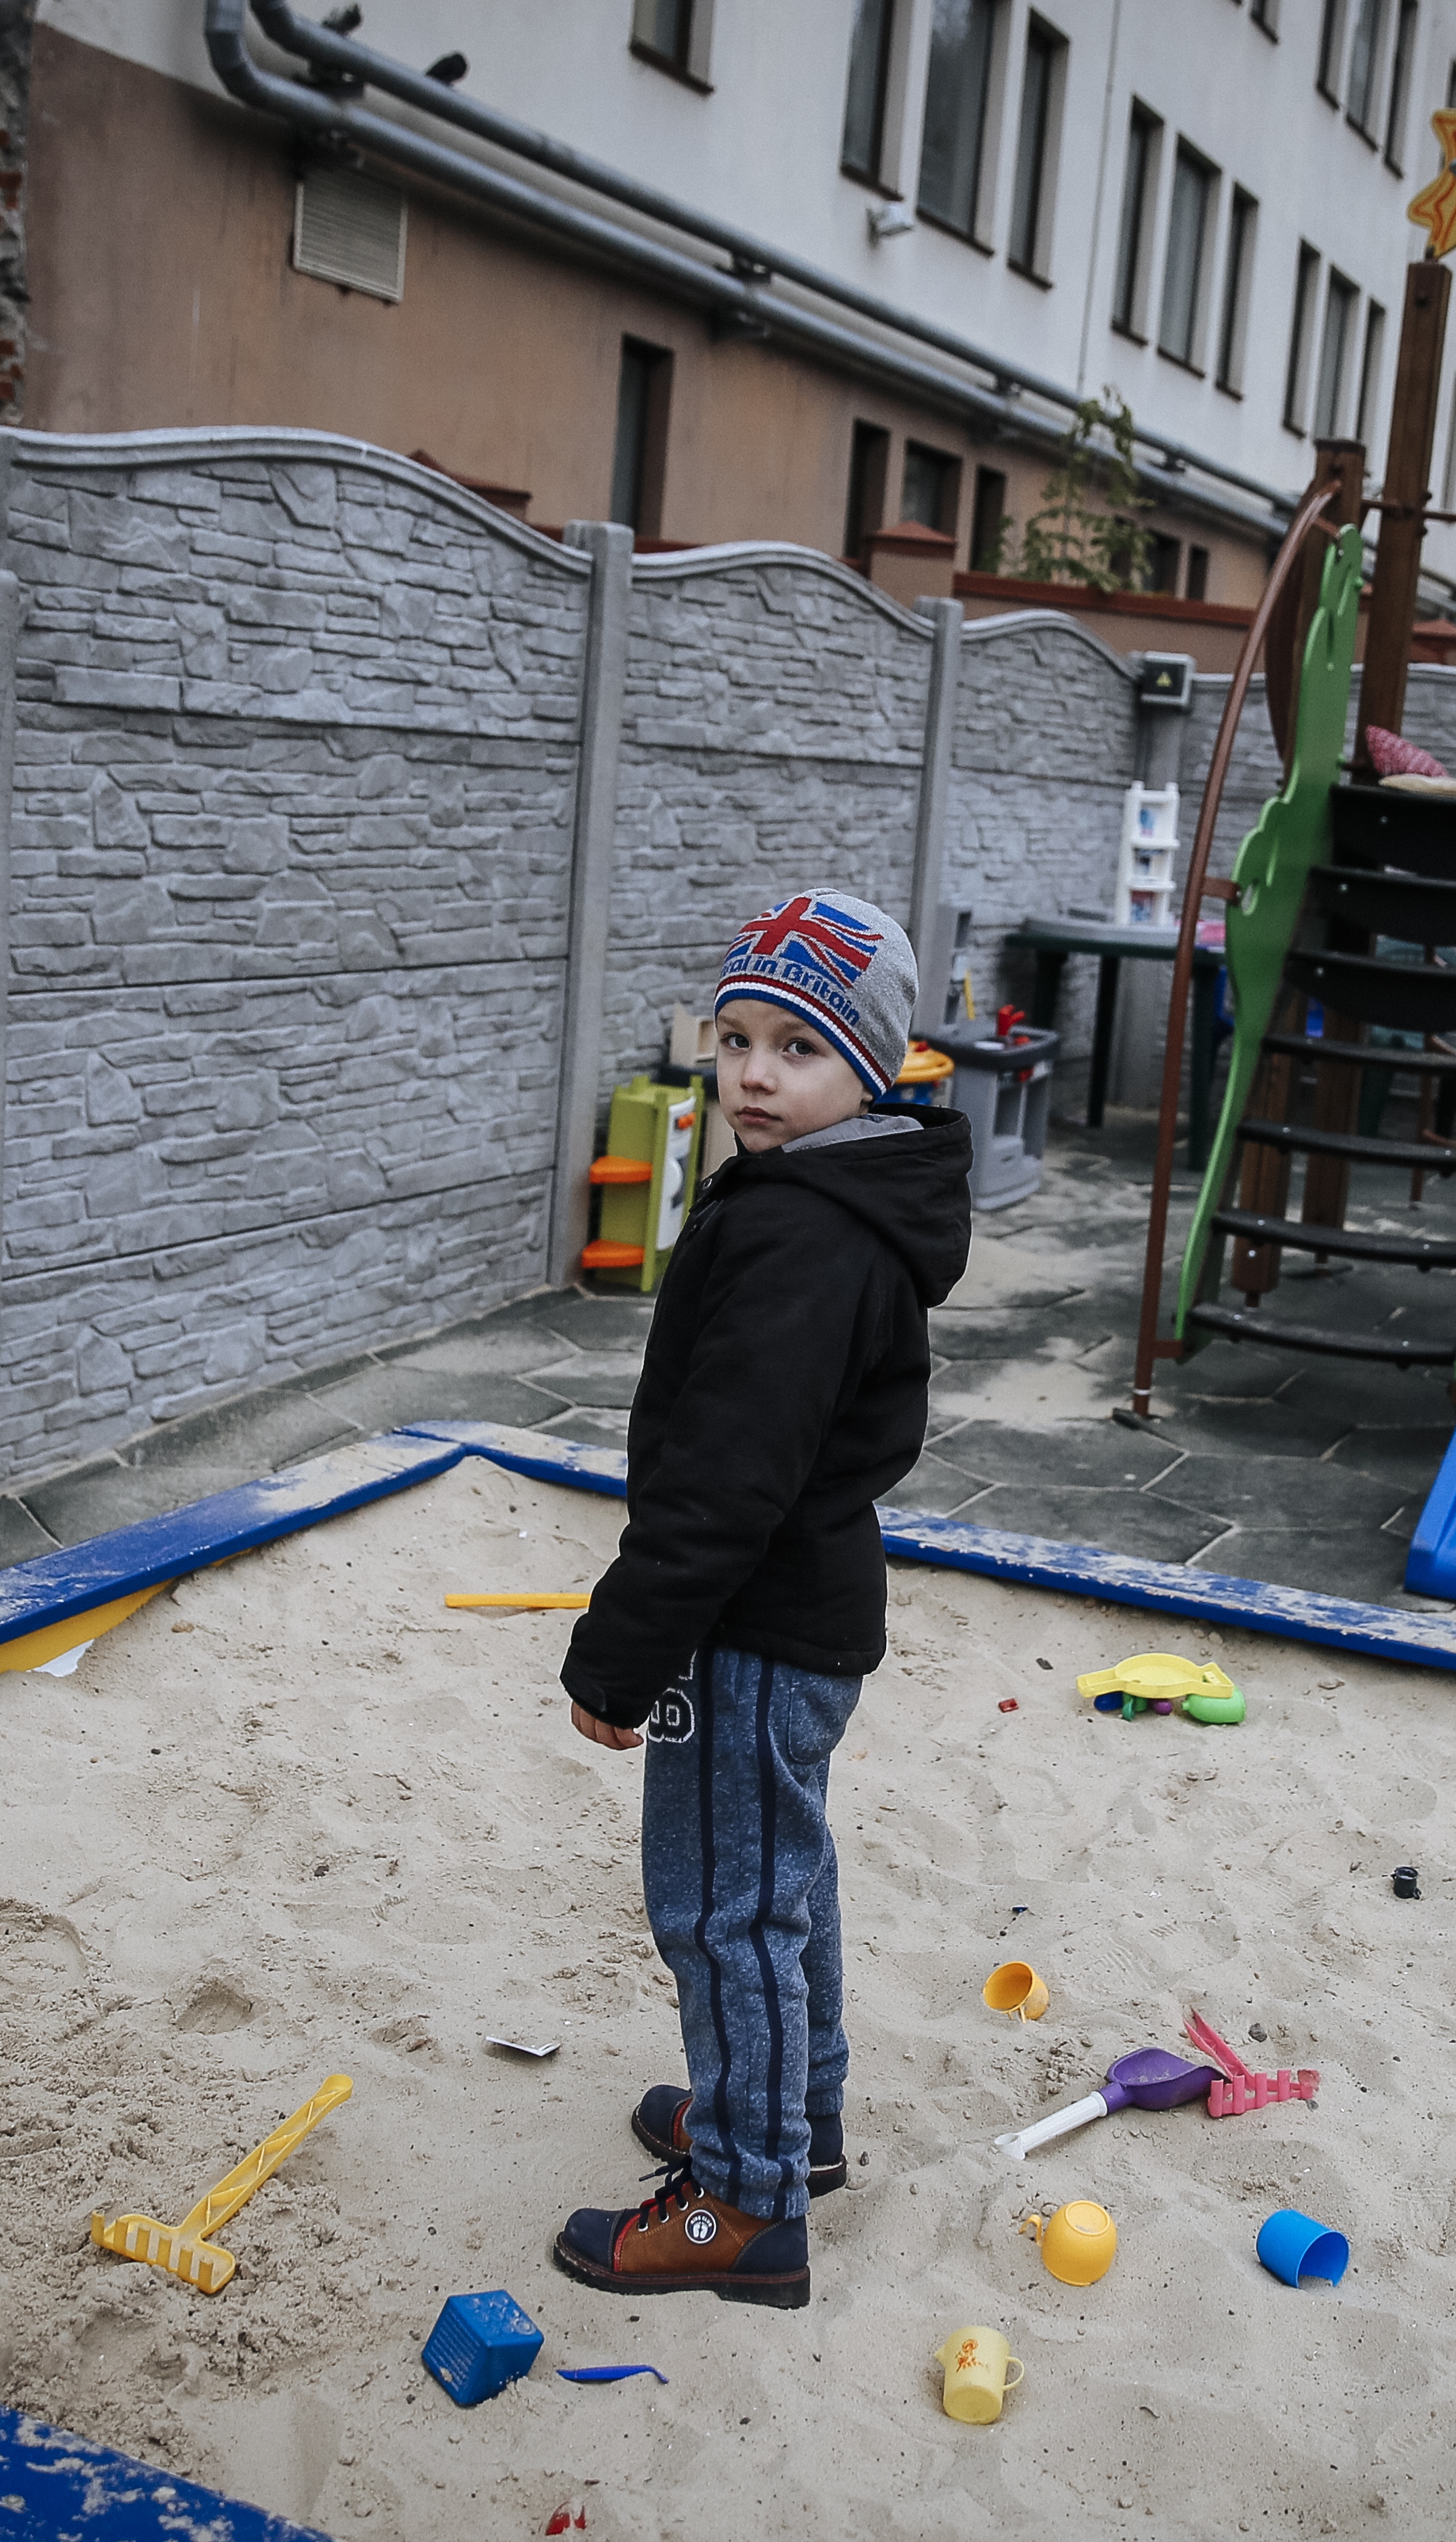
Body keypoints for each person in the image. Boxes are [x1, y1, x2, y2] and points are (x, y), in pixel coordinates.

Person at [548, 890, 972, 2309]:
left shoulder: (807, 1235)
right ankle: (803, 2124)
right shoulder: (829, 1202)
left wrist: (619, 1649)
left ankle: (743, 2197)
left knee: (726, 1911)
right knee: (778, 1881)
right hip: (797, 1611)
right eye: (734, 1036)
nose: (749, 1073)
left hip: (750, 1624)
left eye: (794, 1044)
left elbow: (724, 1480)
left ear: (869, 1064)